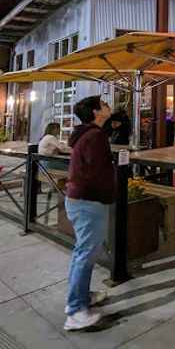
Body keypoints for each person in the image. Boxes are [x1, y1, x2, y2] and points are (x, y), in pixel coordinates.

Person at [63, 96, 114, 331]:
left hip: (79, 199)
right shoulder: (95, 136)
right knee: (85, 254)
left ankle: (82, 297)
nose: (108, 105)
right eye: (103, 104)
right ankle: (75, 311)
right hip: (88, 201)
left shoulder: (86, 133)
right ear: (96, 112)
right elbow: (95, 173)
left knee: (82, 252)